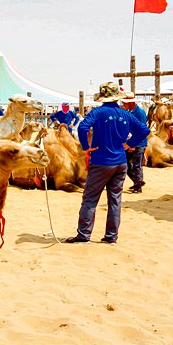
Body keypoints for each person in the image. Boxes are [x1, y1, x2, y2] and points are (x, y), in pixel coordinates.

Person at [66, 82, 149, 245]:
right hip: (120, 162)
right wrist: (129, 144)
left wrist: (86, 148)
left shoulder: (98, 112)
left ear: (103, 97)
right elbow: (144, 130)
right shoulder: (126, 114)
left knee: (90, 198)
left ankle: (84, 235)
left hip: (101, 161)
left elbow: (83, 128)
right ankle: (111, 236)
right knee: (115, 200)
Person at [119, 93, 148, 193]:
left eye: (124, 102)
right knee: (125, 164)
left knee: (136, 165)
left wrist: (133, 144)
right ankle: (138, 181)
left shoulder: (139, 113)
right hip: (131, 142)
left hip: (138, 143)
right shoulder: (131, 112)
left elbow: (141, 130)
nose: (123, 104)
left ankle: (138, 186)